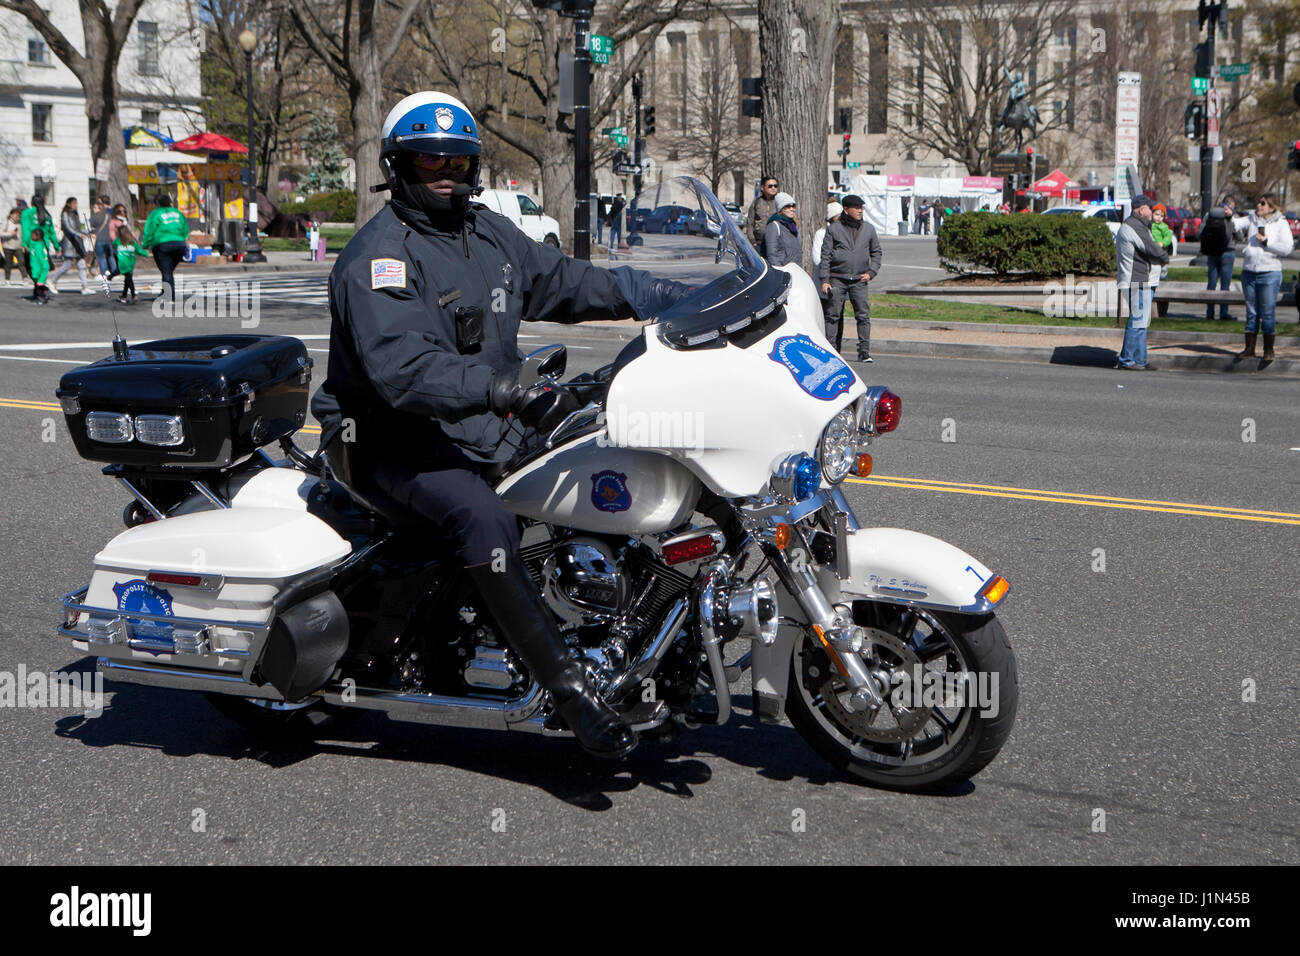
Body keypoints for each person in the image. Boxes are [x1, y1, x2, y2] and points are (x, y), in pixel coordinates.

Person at [312, 91, 688, 759]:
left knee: (608, 453)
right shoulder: (381, 258)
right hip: (386, 438)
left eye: (459, 159)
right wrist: (503, 388)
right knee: (480, 517)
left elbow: (566, 282)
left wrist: (660, 296)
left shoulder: (484, 233)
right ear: (398, 166)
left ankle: (644, 634)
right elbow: (404, 370)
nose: (447, 171)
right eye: (431, 159)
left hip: (480, 423)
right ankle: (570, 691)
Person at [1230, 193, 1294, 361]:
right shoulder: (1252, 218)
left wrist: (1267, 243)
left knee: (1267, 312)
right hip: (1250, 271)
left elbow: (1287, 248)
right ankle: (1249, 348)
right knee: (1251, 311)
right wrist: (1230, 214)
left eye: (1263, 204)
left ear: (1271, 208)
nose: (1259, 206)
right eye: (1259, 202)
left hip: (1270, 272)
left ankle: (1268, 350)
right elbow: (1236, 224)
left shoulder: (1280, 223)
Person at [819, 193, 882, 363]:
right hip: (837, 278)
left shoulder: (868, 229)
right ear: (846, 210)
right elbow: (825, 256)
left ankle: (864, 350)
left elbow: (876, 252)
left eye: (861, 207)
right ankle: (831, 350)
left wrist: (871, 272)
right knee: (833, 315)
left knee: (863, 315)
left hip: (860, 280)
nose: (860, 211)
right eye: (857, 208)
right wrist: (825, 279)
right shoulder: (834, 229)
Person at [1114, 195, 1169, 370]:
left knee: (1141, 322)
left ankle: (1140, 360)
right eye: (1148, 208)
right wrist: (1164, 257)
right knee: (1137, 321)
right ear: (1140, 209)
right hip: (1136, 280)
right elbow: (1153, 250)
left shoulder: (1140, 225)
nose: (1151, 211)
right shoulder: (1134, 226)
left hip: (1141, 280)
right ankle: (1127, 360)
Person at [141, 194, 190, 300]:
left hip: (162, 244)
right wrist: (183, 239)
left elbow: (149, 231)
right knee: (168, 270)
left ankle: (168, 295)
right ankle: (165, 291)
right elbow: (185, 229)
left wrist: (145, 244)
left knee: (166, 270)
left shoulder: (155, 214)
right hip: (179, 244)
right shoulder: (177, 213)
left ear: (157, 204)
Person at [1199, 196, 1237, 321]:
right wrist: (1231, 219)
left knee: (1211, 283)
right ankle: (1223, 313)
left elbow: (1200, 233)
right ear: (1231, 204)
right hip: (1228, 251)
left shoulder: (1210, 214)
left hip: (1212, 251)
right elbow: (1240, 235)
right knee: (1225, 284)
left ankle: (1209, 313)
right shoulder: (1231, 217)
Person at [48, 197, 93, 294]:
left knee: (81, 264)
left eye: (76, 203)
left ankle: (84, 287)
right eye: (74, 203)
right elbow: (68, 228)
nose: (76, 205)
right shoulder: (65, 214)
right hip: (69, 243)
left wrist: (85, 232)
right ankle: (53, 281)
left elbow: (78, 227)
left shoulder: (75, 214)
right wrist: (79, 234)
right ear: (68, 204)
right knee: (67, 264)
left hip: (77, 242)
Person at [763, 192, 801, 268]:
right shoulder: (773, 226)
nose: (791, 209)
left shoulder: (793, 226)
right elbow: (772, 254)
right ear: (781, 208)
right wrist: (780, 271)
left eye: (793, 206)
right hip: (782, 271)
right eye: (787, 206)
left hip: (795, 270)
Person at [89, 197, 116, 290]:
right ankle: (113, 271)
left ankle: (104, 272)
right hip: (108, 239)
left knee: (101, 257)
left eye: (95, 208)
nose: (94, 209)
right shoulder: (108, 216)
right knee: (110, 255)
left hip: (99, 239)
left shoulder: (95, 217)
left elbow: (89, 226)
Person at [745, 174, 779, 249]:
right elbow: (750, 223)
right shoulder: (756, 202)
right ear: (762, 188)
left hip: (775, 244)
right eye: (770, 186)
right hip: (758, 243)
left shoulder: (779, 203)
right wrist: (752, 241)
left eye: (775, 186)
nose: (773, 188)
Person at [113, 224, 145, 304]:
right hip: (131, 262)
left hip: (123, 262)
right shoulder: (132, 242)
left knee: (128, 280)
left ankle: (133, 295)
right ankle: (124, 296)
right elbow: (139, 251)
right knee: (128, 279)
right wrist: (147, 254)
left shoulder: (117, 240)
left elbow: (114, 245)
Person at [26, 225, 57, 304]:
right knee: (37, 284)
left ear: (38, 236)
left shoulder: (39, 246)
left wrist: (42, 271)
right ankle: (40, 294)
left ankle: (41, 298)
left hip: (40, 269)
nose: (31, 236)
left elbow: (42, 260)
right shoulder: (34, 243)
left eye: (33, 235)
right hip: (35, 268)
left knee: (39, 285)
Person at [812, 200, 842, 271]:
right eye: (839, 217)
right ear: (832, 218)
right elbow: (817, 259)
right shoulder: (821, 233)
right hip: (824, 276)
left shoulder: (844, 233)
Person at [1149, 204, 1175, 282]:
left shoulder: (1163, 226)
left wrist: (1163, 243)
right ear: (1152, 213)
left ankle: (1163, 272)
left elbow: (1168, 237)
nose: (1159, 217)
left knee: (1161, 262)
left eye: (1162, 216)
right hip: (1150, 247)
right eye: (1156, 214)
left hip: (1160, 247)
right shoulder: (1149, 224)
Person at [2, 208, 27, 282]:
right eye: (15, 214)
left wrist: (24, 245)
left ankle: (25, 277)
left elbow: (23, 235)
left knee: (21, 262)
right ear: (11, 215)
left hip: (18, 246)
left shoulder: (20, 223)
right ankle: (7, 279)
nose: (17, 217)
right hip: (8, 246)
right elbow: (1, 233)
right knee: (8, 263)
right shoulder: (6, 222)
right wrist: (10, 234)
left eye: (18, 215)